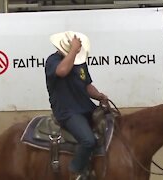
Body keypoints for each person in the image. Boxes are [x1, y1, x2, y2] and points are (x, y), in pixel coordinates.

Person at [45, 31, 108, 180]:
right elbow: (62, 71)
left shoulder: (79, 63)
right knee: (88, 140)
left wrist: (99, 96)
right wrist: (73, 50)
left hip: (85, 107)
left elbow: (87, 85)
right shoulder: (53, 61)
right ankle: (76, 172)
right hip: (67, 111)